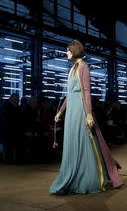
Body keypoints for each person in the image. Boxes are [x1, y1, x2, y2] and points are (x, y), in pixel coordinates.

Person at [50, 40, 123, 195]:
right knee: (71, 143)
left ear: (75, 51)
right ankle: (72, 177)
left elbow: (87, 91)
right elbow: (69, 95)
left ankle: (87, 179)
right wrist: (60, 112)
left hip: (81, 110)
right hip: (71, 112)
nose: (66, 53)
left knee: (83, 143)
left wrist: (89, 113)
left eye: (68, 50)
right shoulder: (72, 69)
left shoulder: (83, 67)